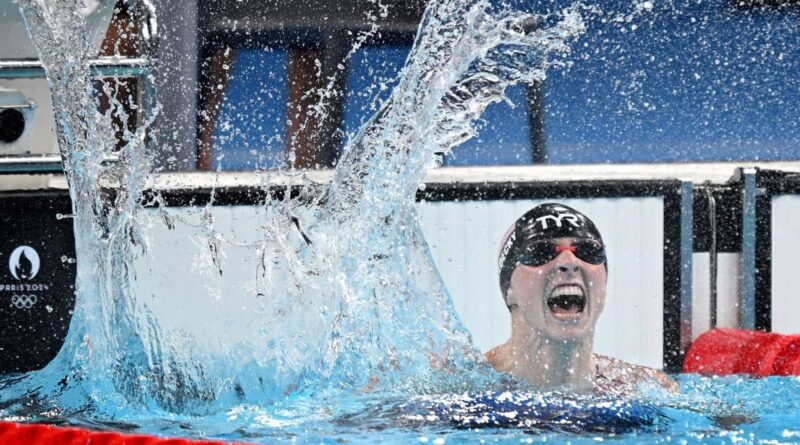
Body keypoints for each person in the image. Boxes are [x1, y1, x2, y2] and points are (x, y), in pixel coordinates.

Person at [485, 203, 678, 395]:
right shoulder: (473, 384)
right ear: (509, 289)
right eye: (541, 252)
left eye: (587, 251)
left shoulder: (648, 389)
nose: (569, 262)